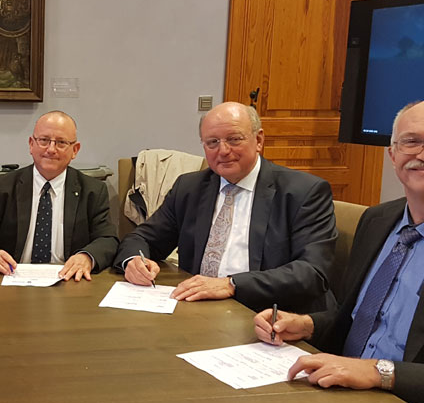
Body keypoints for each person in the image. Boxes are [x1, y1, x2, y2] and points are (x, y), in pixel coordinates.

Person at [255, 99, 424, 403]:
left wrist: (381, 373)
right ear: (393, 155)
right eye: (411, 142)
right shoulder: (378, 221)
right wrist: (308, 325)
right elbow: (363, 321)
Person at [115, 102, 336, 312]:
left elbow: (312, 272)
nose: (223, 150)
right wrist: (134, 261)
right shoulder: (190, 188)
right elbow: (143, 238)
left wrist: (232, 284)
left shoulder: (303, 192)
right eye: (212, 142)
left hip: (267, 314)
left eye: (234, 139)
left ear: (259, 140)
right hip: (197, 310)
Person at [0, 111, 118, 280]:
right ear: (31, 144)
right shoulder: (1, 187)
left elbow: (108, 240)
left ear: (75, 150)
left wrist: (87, 257)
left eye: (61, 142)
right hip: (12, 280)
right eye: (44, 140)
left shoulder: (93, 191)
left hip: (69, 281)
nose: (51, 149)